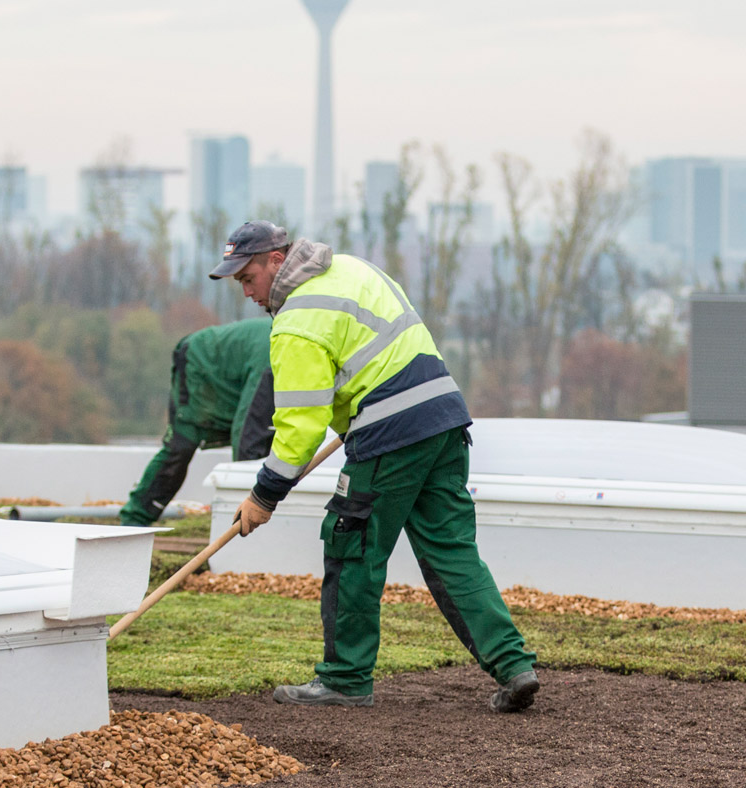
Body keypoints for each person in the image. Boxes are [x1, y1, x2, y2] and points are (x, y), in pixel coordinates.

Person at [212, 220, 540, 713]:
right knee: (452, 553)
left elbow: (299, 429)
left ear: (277, 261)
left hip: (391, 434)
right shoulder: (351, 269)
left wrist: (263, 496)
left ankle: (345, 678)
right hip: (445, 419)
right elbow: (380, 352)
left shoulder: (297, 321)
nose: (247, 292)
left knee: (351, 547)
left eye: (248, 277)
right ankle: (514, 666)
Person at [119, 317, 275, 526]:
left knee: (268, 436)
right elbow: (247, 432)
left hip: (235, 377)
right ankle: (135, 519)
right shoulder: (270, 359)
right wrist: (248, 504)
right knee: (181, 447)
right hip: (199, 364)